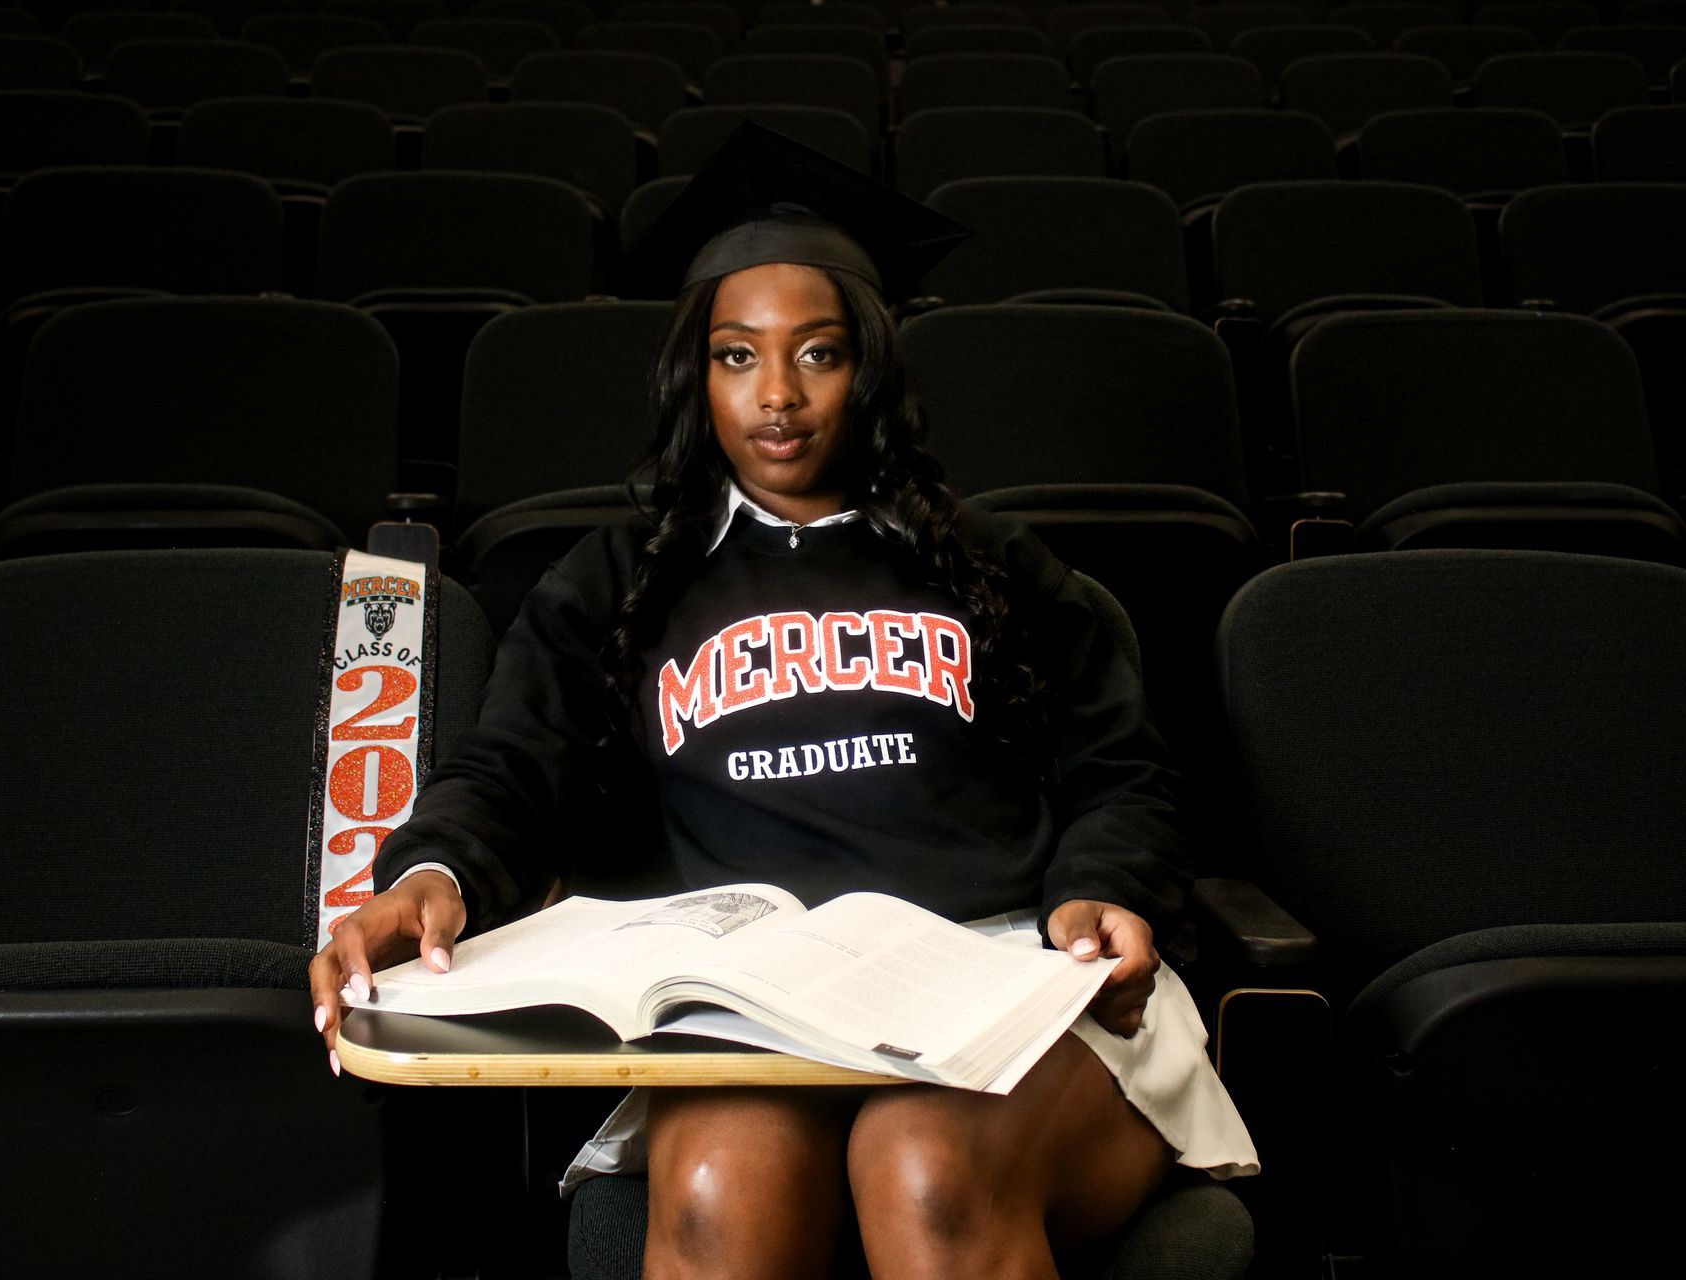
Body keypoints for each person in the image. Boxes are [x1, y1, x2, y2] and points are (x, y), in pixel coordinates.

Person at [309, 123, 1256, 1278]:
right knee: (716, 1189)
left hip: (1000, 982)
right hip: (746, 1009)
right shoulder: (621, 579)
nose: (778, 396)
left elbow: (1122, 771)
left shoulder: (992, 563)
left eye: (817, 354)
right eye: (736, 355)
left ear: (872, 369)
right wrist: (428, 877)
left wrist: (1102, 890)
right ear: (694, 374)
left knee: (924, 1164)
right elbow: (510, 771)